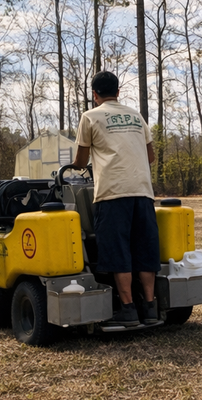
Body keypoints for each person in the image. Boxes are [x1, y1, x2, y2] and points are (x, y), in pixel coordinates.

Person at [67, 71, 160, 327]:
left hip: (112, 193)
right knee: (145, 249)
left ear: (94, 94)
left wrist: (75, 165)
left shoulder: (90, 117)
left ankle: (128, 310)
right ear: (118, 92)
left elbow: (81, 161)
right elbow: (150, 157)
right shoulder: (136, 116)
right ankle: (150, 308)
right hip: (143, 192)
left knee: (118, 251)